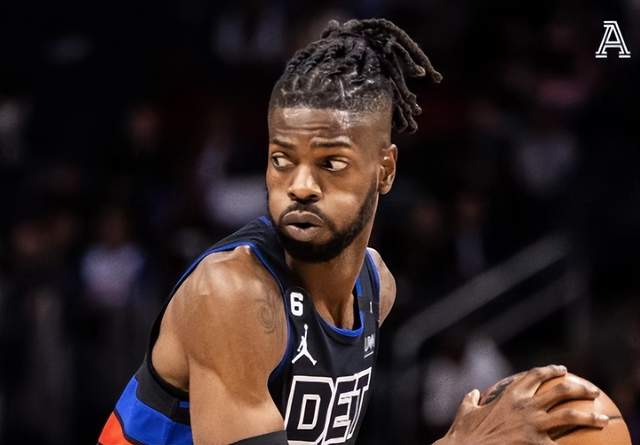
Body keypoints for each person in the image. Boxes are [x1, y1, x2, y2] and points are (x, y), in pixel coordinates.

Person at [98, 18, 608, 445]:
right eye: (282, 160)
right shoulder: (230, 295)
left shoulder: (375, 288)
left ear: (385, 170)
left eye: (331, 163)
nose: (300, 186)